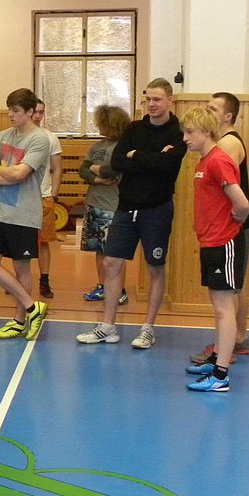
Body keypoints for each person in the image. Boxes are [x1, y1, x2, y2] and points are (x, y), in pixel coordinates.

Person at [75, 78, 186, 348]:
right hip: (125, 208)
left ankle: (147, 328)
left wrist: (135, 157)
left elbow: (166, 167)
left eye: (157, 99)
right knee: (111, 263)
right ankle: (107, 326)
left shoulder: (178, 133)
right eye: (148, 99)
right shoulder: (134, 129)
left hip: (157, 209)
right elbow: (117, 161)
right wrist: (147, 158)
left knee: (155, 268)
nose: (151, 104)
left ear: (169, 100)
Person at [180, 107, 249, 392]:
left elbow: (242, 204)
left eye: (190, 132)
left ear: (207, 132)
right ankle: (216, 361)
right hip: (210, 241)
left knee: (224, 308)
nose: (185, 138)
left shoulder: (219, 160)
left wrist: (232, 221)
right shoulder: (204, 161)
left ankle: (221, 375)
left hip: (224, 242)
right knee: (219, 306)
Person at [0, 88, 50, 341]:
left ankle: (20, 321)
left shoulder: (39, 139)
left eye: (16, 110)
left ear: (30, 112)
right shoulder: (2, 136)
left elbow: (20, 174)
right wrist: (6, 173)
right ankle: (33, 307)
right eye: (9, 109)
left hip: (25, 214)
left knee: (22, 269)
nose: (10, 114)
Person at [190, 92, 249, 364]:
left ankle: (226, 350)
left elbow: (233, 194)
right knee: (232, 289)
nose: (208, 112)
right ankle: (234, 341)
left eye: (213, 109)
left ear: (228, 116)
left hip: (228, 230)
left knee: (229, 293)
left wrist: (233, 219)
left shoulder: (225, 146)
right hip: (221, 230)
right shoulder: (214, 151)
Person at [78, 104, 130, 306]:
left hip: (113, 206)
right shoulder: (96, 146)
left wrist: (95, 168)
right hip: (94, 203)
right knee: (98, 250)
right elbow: (83, 170)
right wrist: (97, 177)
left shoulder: (123, 146)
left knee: (114, 253)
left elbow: (114, 170)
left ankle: (120, 290)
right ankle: (102, 287)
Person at [32, 99, 63, 298]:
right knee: (18, 242)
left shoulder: (50, 138)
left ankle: (44, 281)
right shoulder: (15, 136)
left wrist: (54, 194)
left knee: (43, 242)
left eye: (41, 112)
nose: (37, 116)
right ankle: (18, 280)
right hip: (21, 197)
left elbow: (57, 168)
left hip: (43, 196)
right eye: (35, 111)